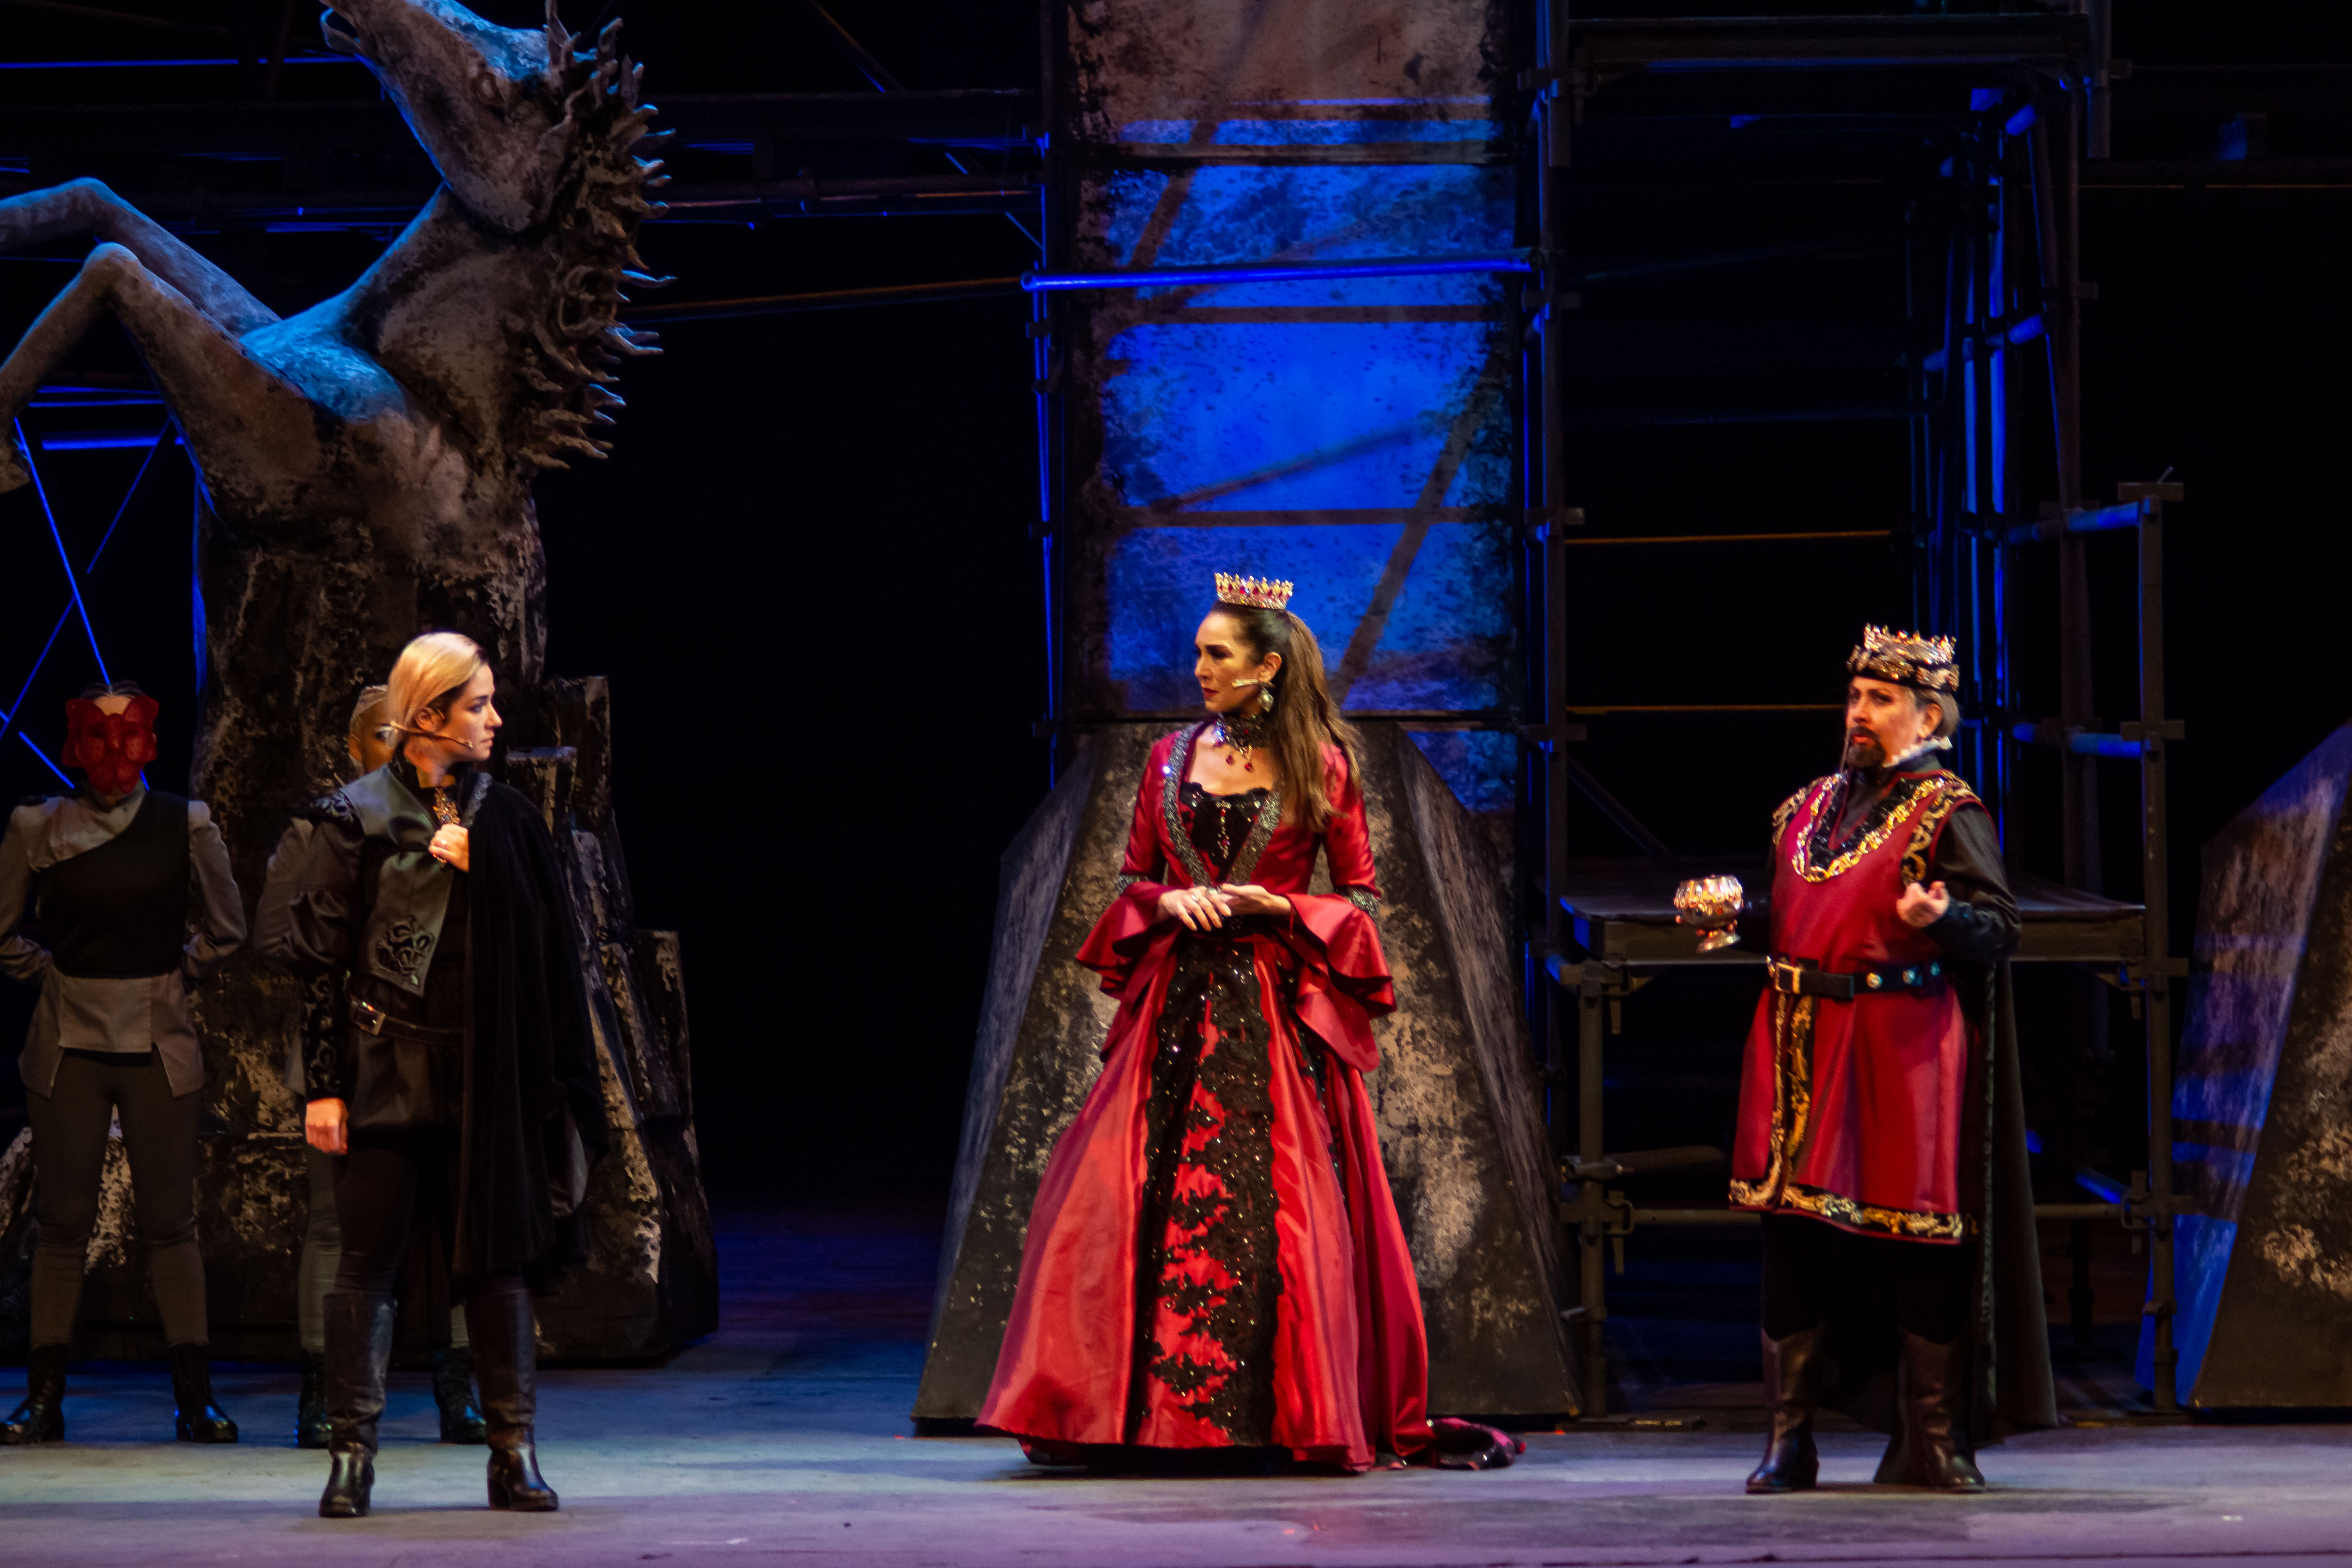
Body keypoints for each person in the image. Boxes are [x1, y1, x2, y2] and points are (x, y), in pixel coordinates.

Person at [979, 572, 1518, 1474]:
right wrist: (1170, 897)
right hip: (1173, 1010)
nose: (1197, 668)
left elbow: (1355, 901)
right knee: (1117, 1194)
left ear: (1265, 665)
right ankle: (1137, 1415)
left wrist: (1284, 905)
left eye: (1214, 653)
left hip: (1269, 1016)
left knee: (1281, 1210)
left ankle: (1275, 1414)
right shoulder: (1164, 760)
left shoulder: (1324, 765)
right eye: (1197, 651)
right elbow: (1130, 883)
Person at [257, 632, 606, 1518]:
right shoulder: (353, 817)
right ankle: (352, 1454)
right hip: (384, 1067)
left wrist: (481, 868)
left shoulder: (507, 818)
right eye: (477, 704)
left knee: (498, 1264)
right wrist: (326, 1088)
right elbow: (322, 964)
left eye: (491, 702)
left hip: (482, 1072)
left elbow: (550, 946)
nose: (494, 718)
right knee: (365, 1264)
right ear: (427, 717)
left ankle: (512, 1449)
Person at [1699, 626, 2042, 1494]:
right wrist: (1736, 922)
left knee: (1919, 1237)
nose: (1858, 713)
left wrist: (1942, 919)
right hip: (1796, 1042)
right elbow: (1798, 921)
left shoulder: (1949, 812)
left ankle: (1932, 1437)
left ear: (1928, 716)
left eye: (1880, 700)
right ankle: (1789, 1441)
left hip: (1903, 1043)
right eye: (1854, 696)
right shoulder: (1806, 807)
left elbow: (1999, 929)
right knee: (1794, 1236)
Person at [0, 681, 244, 1444]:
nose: (113, 754)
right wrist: (50, 975)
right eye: (97, 738)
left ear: (147, 741)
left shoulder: (185, 823)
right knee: (64, 1221)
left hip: (158, 1044)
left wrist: (178, 974)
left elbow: (229, 928)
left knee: (172, 1223)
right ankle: (43, 1398)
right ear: (76, 743)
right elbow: (2, 932)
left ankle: (195, 1397)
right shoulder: (36, 825)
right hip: (69, 1045)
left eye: (126, 735)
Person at [262, 684, 483, 1449]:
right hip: (352, 1050)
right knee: (341, 1228)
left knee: (458, 1223)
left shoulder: (464, 820)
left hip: (440, 1046)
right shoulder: (327, 826)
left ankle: (461, 1388)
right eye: (382, 732)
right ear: (359, 747)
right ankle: (324, 1390)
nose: (396, 742)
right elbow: (279, 936)